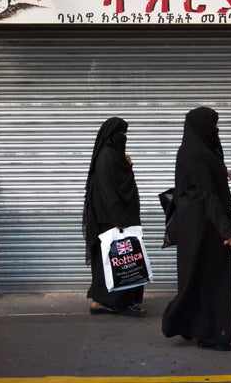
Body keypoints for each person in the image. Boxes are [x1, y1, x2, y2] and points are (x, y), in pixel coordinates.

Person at [161, 106, 231, 350]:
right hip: (204, 228)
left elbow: (200, 182)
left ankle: (190, 325)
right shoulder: (196, 154)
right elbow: (206, 195)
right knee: (213, 280)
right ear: (202, 126)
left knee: (197, 277)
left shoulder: (195, 151)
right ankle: (213, 334)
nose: (216, 129)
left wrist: (218, 172)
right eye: (214, 124)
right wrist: (227, 230)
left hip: (195, 225)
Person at [82, 117, 146, 316]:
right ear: (113, 136)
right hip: (112, 219)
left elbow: (120, 183)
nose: (125, 138)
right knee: (122, 260)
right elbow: (112, 191)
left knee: (106, 261)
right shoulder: (109, 157)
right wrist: (121, 221)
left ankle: (100, 300)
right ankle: (119, 302)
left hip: (105, 218)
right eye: (123, 134)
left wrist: (128, 166)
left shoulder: (108, 155)